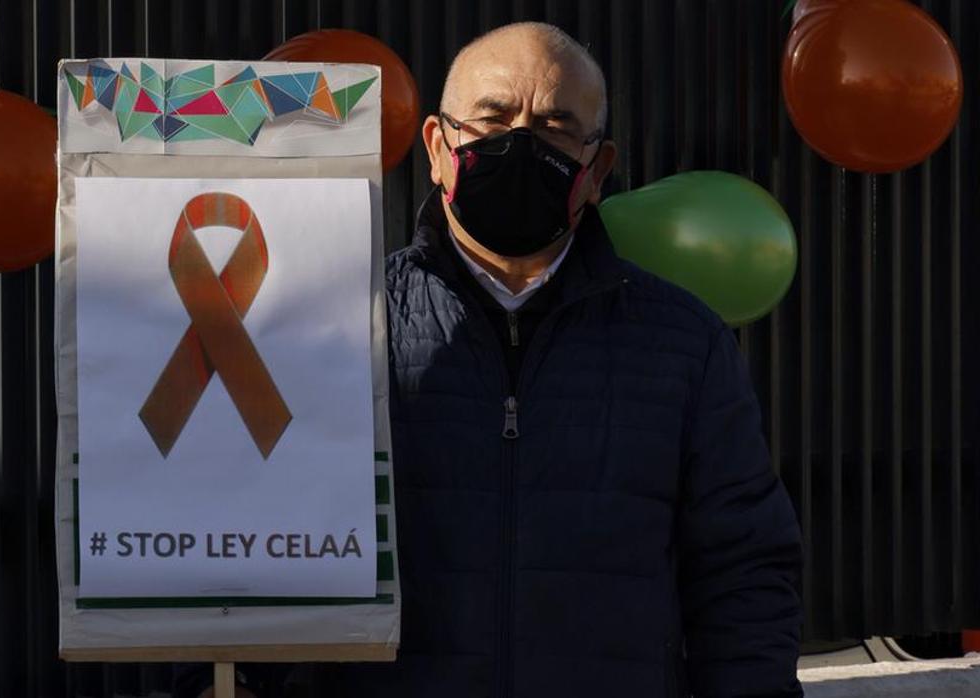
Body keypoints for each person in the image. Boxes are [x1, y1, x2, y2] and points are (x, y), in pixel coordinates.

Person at [176, 21, 804, 698]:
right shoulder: (339, 329)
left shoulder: (684, 344)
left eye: (556, 128)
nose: (519, 143)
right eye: (492, 120)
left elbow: (743, 574)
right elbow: (246, 538)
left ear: (597, 170)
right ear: (437, 148)